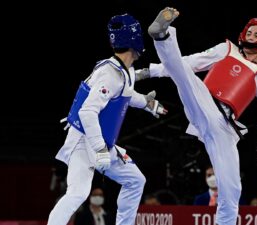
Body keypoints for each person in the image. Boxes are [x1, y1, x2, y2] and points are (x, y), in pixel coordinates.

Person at [143, 7, 257, 225]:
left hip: (224, 127)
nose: (251, 37)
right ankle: (162, 36)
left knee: (232, 188)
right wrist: (152, 71)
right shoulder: (226, 49)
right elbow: (189, 62)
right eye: (250, 32)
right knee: (185, 77)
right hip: (204, 101)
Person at [47, 13, 167, 225]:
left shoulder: (124, 70)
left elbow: (126, 94)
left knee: (135, 180)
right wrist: (100, 148)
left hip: (102, 141)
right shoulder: (110, 75)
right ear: (134, 40)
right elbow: (87, 112)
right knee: (77, 193)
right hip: (85, 140)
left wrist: (148, 104)